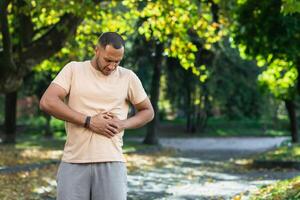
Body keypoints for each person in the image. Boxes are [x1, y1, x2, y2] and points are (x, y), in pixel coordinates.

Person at [40, 32, 154, 200]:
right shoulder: (74, 69)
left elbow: (148, 111)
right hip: (74, 161)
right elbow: (48, 101)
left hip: (112, 161)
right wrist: (89, 121)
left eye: (117, 61)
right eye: (108, 60)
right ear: (97, 50)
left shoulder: (128, 77)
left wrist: (123, 124)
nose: (112, 67)